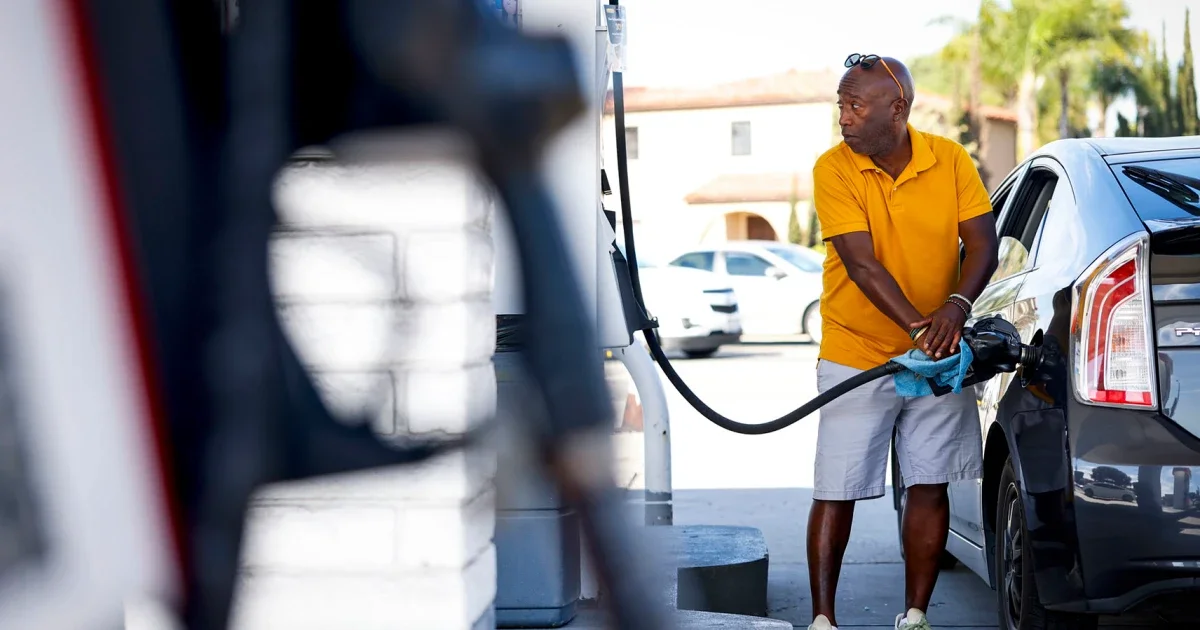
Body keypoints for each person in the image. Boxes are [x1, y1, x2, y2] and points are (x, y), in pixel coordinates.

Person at [805, 54, 999, 630]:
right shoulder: (834, 169)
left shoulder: (950, 159)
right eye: (841, 105)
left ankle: (916, 616)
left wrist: (955, 309)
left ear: (897, 108)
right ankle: (822, 620)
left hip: (938, 353)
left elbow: (982, 245)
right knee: (836, 487)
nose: (843, 117)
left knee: (929, 482)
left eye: (855, 106)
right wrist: (922, 328)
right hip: (856, 350)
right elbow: (861, 264)